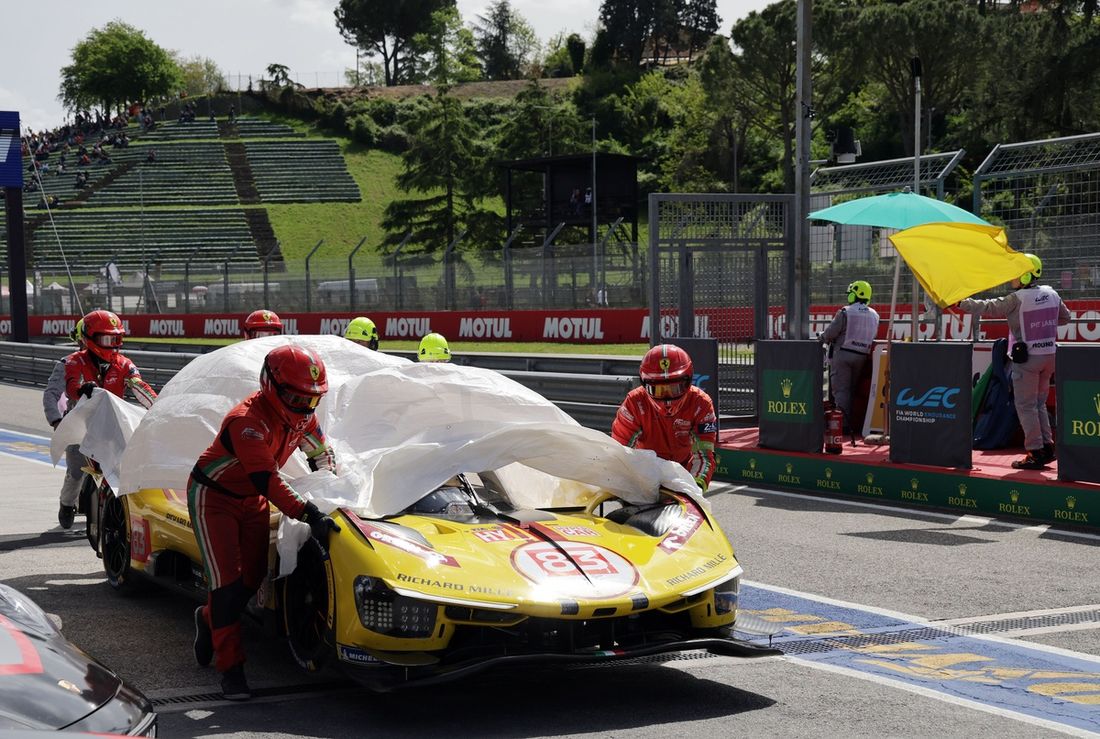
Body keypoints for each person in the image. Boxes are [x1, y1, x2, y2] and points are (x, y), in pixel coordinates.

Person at [188, 345, 339, 701]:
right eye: (295, 397)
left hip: (251, 499)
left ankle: (208, 619)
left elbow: (321, 453)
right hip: (214, 498)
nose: (303, 406)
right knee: (226, 585)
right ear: (270, 385)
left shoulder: (304, 416)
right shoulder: (246, 421)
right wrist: (309, 513)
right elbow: (267, 481)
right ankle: (231, 669)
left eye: (312, 400)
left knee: (253, 579)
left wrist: (331, 482)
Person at [959, 254, 1070, 469]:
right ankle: (1047, 447)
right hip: (1049, 356)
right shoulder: (1053, 294)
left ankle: (1035, 452)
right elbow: (1066, 318)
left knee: (1025, 406)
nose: (1012, 278)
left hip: (1026, 359)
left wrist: (962, 303)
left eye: (1016, 274)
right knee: (1038, 404)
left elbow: (989, 307)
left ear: (1026, 275)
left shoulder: (1017, 298)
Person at [59, 310, 158, 528]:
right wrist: (82, 388)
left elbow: (140, 387)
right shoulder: (74, 361)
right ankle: (66, 504)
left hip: (111, 426)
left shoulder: (124, 364)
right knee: (75, 472)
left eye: (116, 339)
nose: (112, 344)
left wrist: (158, 407)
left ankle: (116, 511)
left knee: (121, 468)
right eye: (106, 339)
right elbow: (71, 387)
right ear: (90, 338)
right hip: (79, 426)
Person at [611, 344, 718, 491]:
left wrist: (695, 489)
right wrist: (628, 486)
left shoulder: (701, 404)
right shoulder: (634, 403)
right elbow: (620, 453)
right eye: (659, 389)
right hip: (644, 476)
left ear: (688, 380)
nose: (667, 397)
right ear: (645, 384)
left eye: (675, 388)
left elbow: (704, 456)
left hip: (684, 476)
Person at [820, 280, 880, 436]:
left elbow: (830, 334)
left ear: (856, 294)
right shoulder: (875, 314)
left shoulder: (845, 312)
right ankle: (850, 423)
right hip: (862, 356)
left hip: (843, 355)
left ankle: (841, 426)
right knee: (851, 391)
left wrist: (822, 337)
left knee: (841, 391)